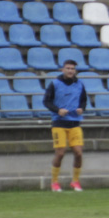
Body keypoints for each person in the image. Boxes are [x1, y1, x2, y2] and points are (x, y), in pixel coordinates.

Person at [44, 60, 88, 193]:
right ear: (62, 70)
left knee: (78, 153)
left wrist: (82, 108)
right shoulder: (55, 84)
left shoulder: (79, 84)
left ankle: (75, 181)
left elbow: (84, 99)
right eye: (68, 68)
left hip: (75, 123)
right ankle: (54, 182)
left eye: (72, 68)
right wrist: (57, 110)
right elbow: (46, 101)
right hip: (59, 124)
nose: (70, 71)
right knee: (61, 153)